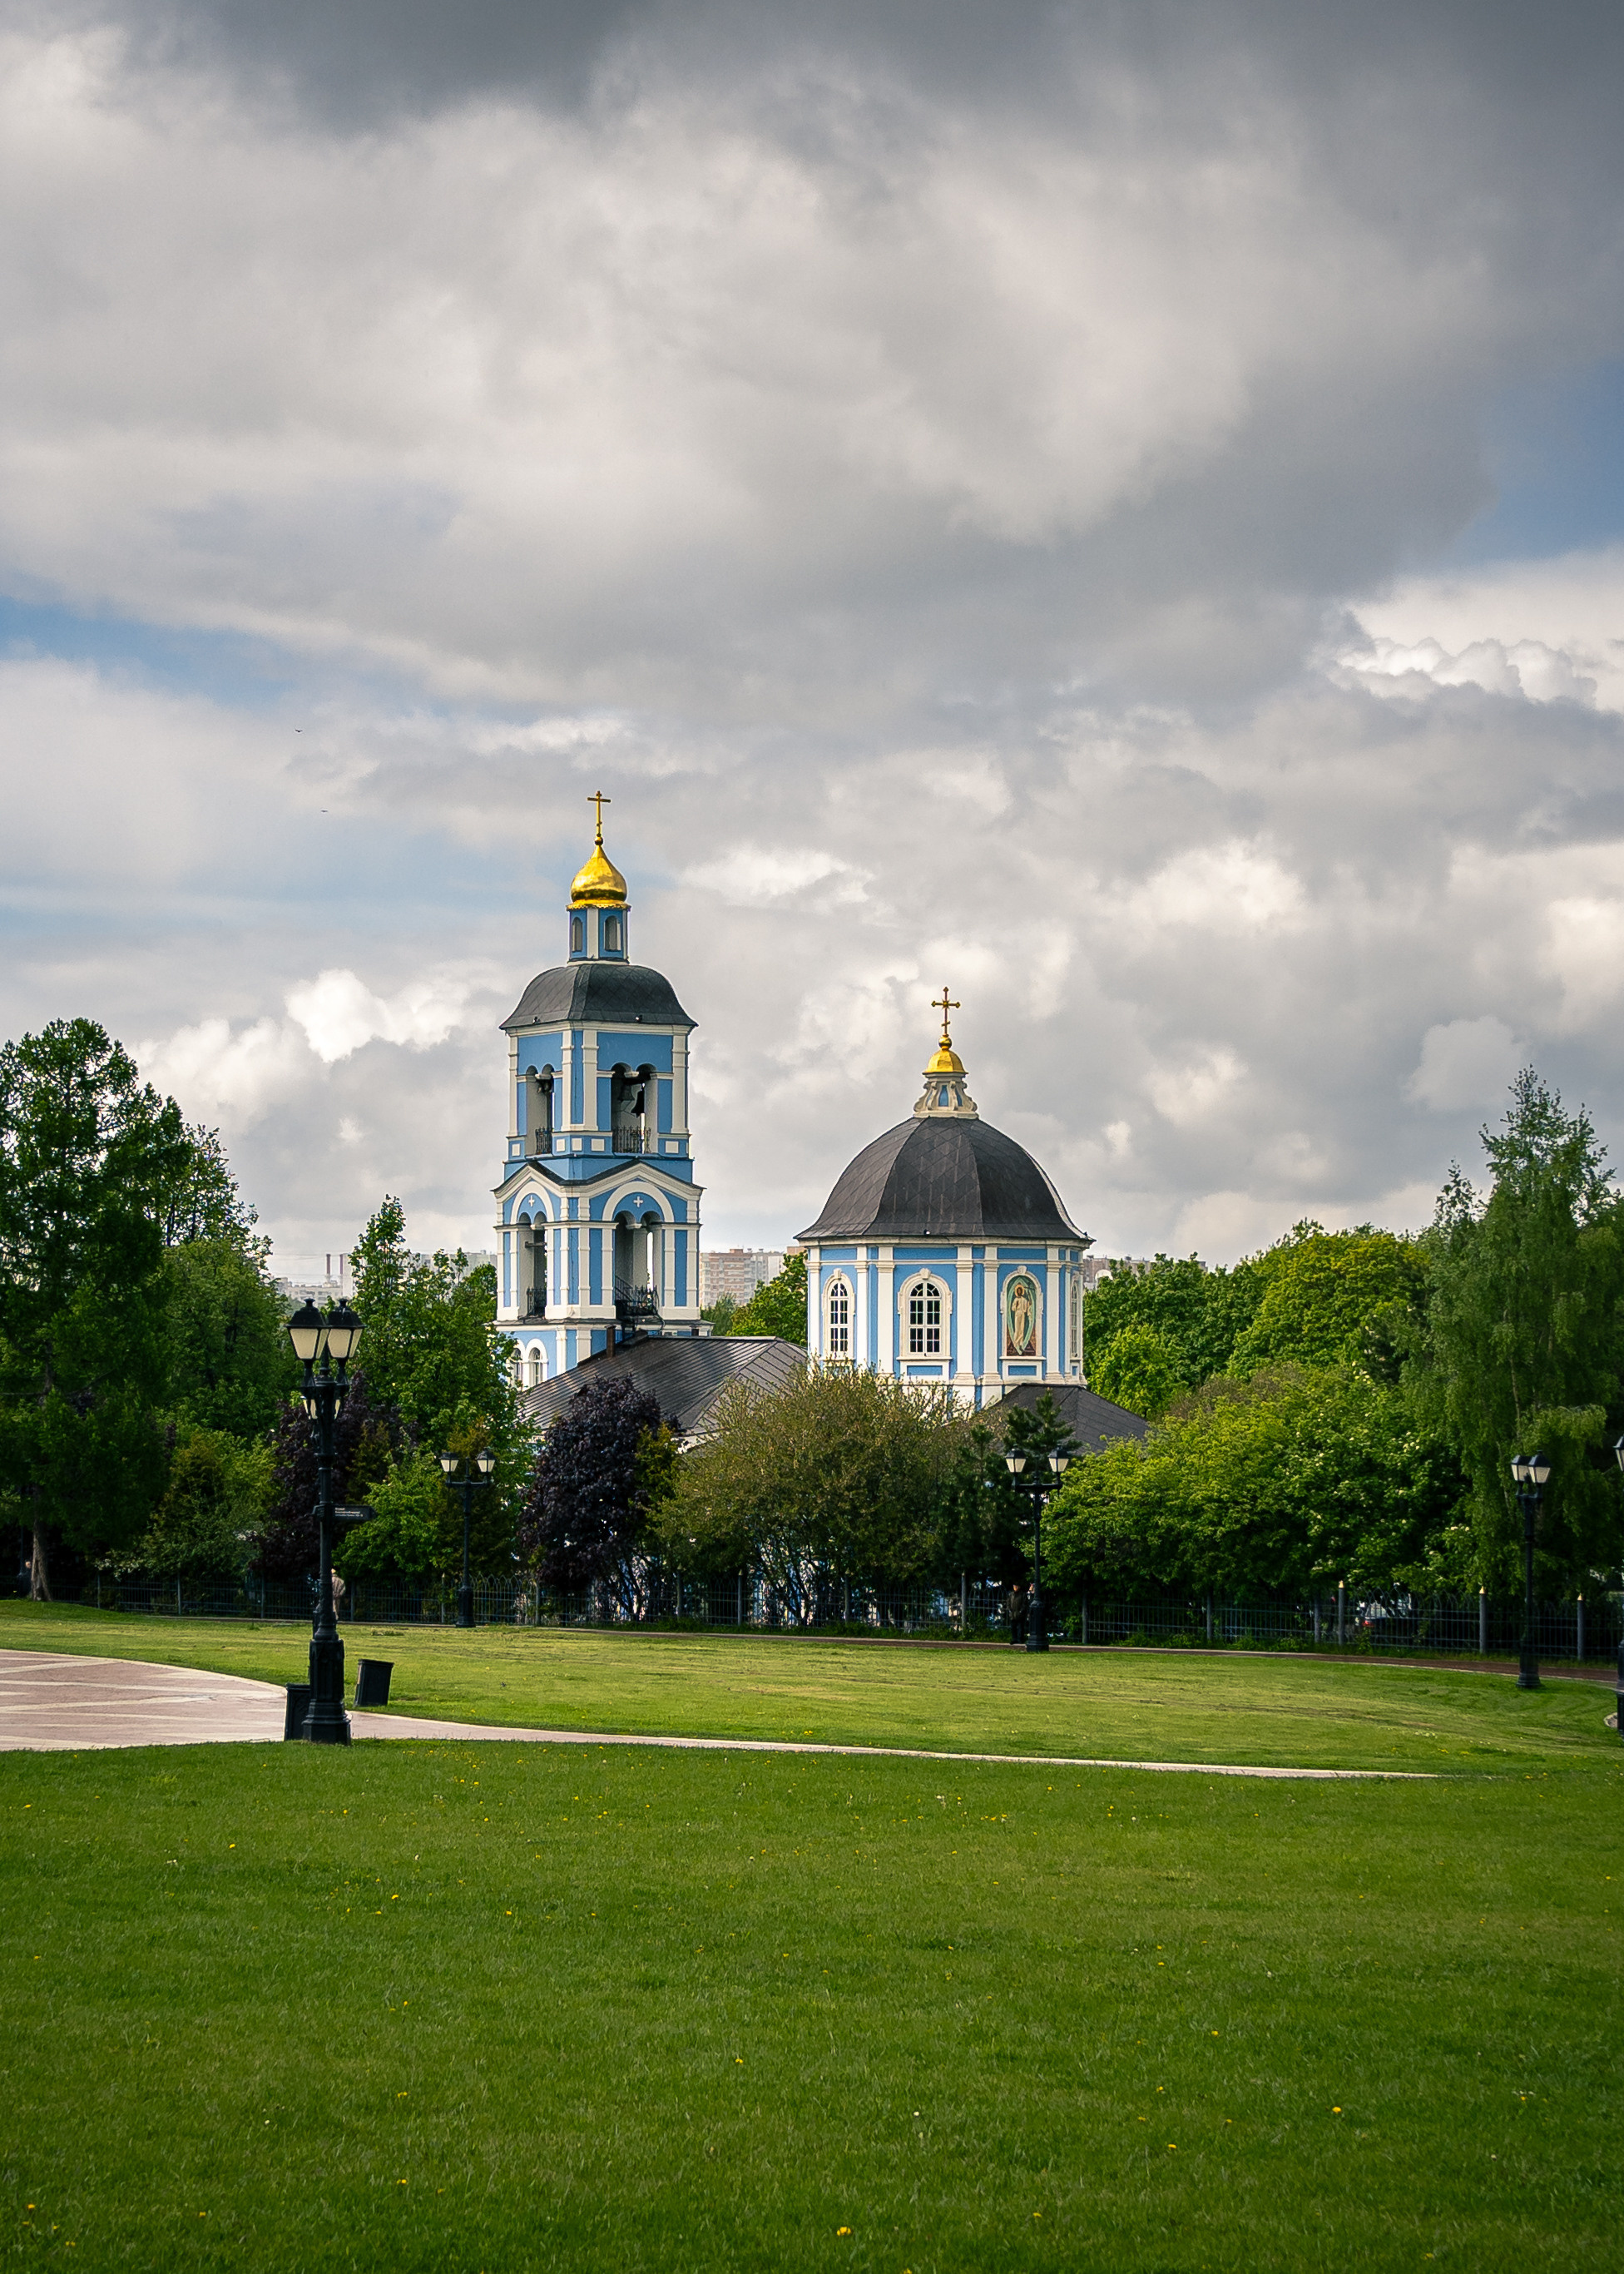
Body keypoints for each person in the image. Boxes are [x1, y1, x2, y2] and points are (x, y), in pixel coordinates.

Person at [1008, 1581, 1028, 1645]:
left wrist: (1021, 1611)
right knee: (1013, 1627)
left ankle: (1020, 1639)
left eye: (1016, 1586)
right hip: (1013, 1614)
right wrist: (1010, 1610)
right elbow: (1009, 1603)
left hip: (1020, 1614)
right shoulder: (1011, 1594)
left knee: (1020, 1627)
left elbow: (1024, 1604)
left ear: (1019, 1587)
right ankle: (1014, 1639)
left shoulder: (1022, 1594)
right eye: (1014, 1586)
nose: (1015, 1587)